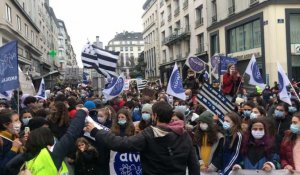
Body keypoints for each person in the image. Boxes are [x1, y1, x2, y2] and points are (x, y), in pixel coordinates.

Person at [85, 101, 200, 175]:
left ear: (154, 116)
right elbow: (194, 165)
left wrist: (96, 132)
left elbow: (120, 144)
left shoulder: (149, 134)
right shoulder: (184, 135)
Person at [5, 108, 88, 175]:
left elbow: (8, 166)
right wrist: (82, 112)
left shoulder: (26, 156)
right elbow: (71, 134)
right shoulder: (54, 153)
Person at [0, 109, 22, 174]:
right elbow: (2, 168)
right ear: (5, 125)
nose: (20, 122)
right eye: (16, 120)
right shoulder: (1, 140)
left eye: (19, 119)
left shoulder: (14, 136)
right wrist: (13, 150)